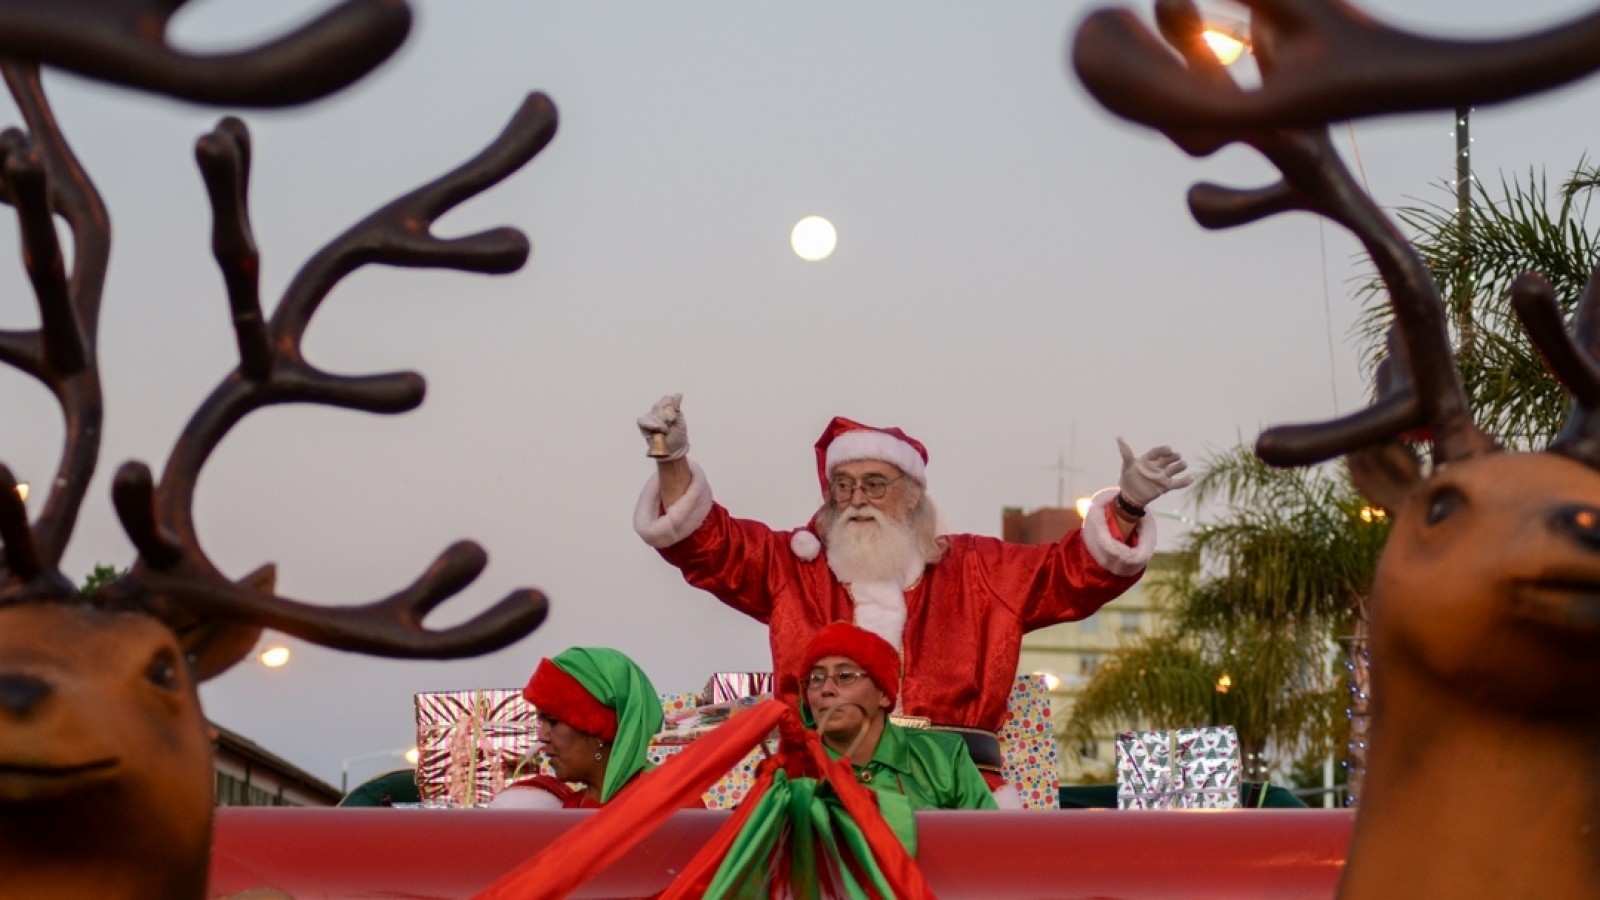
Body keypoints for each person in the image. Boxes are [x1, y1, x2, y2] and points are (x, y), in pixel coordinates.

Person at [633, 395, 1190, 804]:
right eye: (843, 486)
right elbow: (708, 544)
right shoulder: (793, 567)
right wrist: (671, 459)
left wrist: (1128, 507)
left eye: (875, 484)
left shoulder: (977, 569)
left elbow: (1073, 575)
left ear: (914, 494)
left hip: (957, 791)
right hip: (822, 790)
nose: (857, 499)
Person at [800, 621, 996, 813]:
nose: (826, 689)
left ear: (884, 695)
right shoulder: (794, 767)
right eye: (816, 679)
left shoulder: (943, 757)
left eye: (844, 676)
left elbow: (988, 831)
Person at [490, 646, 678, 809]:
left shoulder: (667, 801)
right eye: (541, 722)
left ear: (599, 729)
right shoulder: (572, 807)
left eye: (553, 722)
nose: (542, 736)